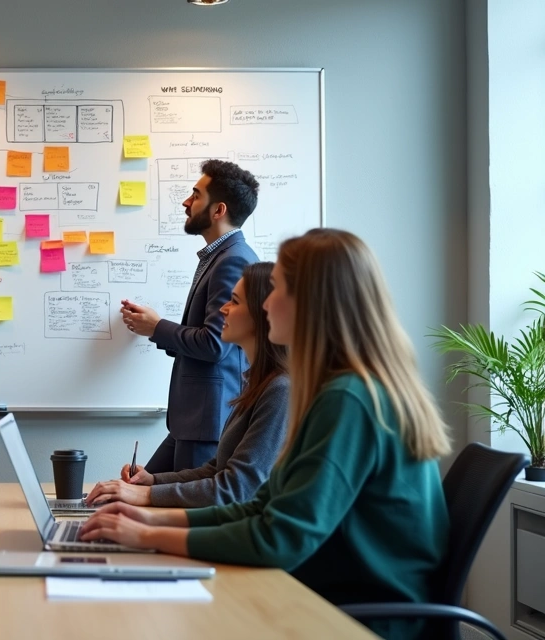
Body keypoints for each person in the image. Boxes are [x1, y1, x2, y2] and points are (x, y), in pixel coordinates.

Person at [80, 229, 451, 640]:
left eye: (277, 289)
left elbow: (278, 538)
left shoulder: (349, 399)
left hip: (362, 619)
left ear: (312, 305)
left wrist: (148, 535)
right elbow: (259, 506)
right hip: (327, 594)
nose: (267, 303)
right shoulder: (339, 391)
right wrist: (146, 520)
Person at [86, 262, 288, 508]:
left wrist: (144, 495)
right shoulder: (255, 383)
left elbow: (236, 489)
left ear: (262, 312)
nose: (223, 309)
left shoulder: (280, 391)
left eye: (234, 301)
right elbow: (216, 470)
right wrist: (152, 481)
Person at [121, 160, 260, 474]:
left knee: (180, 515)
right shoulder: (221, 256)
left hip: (207, 423)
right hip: (194, 421)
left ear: (217, 210)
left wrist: (156, 327)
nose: (186, 202)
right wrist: (154, 327)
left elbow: (215, 343)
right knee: (137, 488)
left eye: (195, 195)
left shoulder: (232, 261)